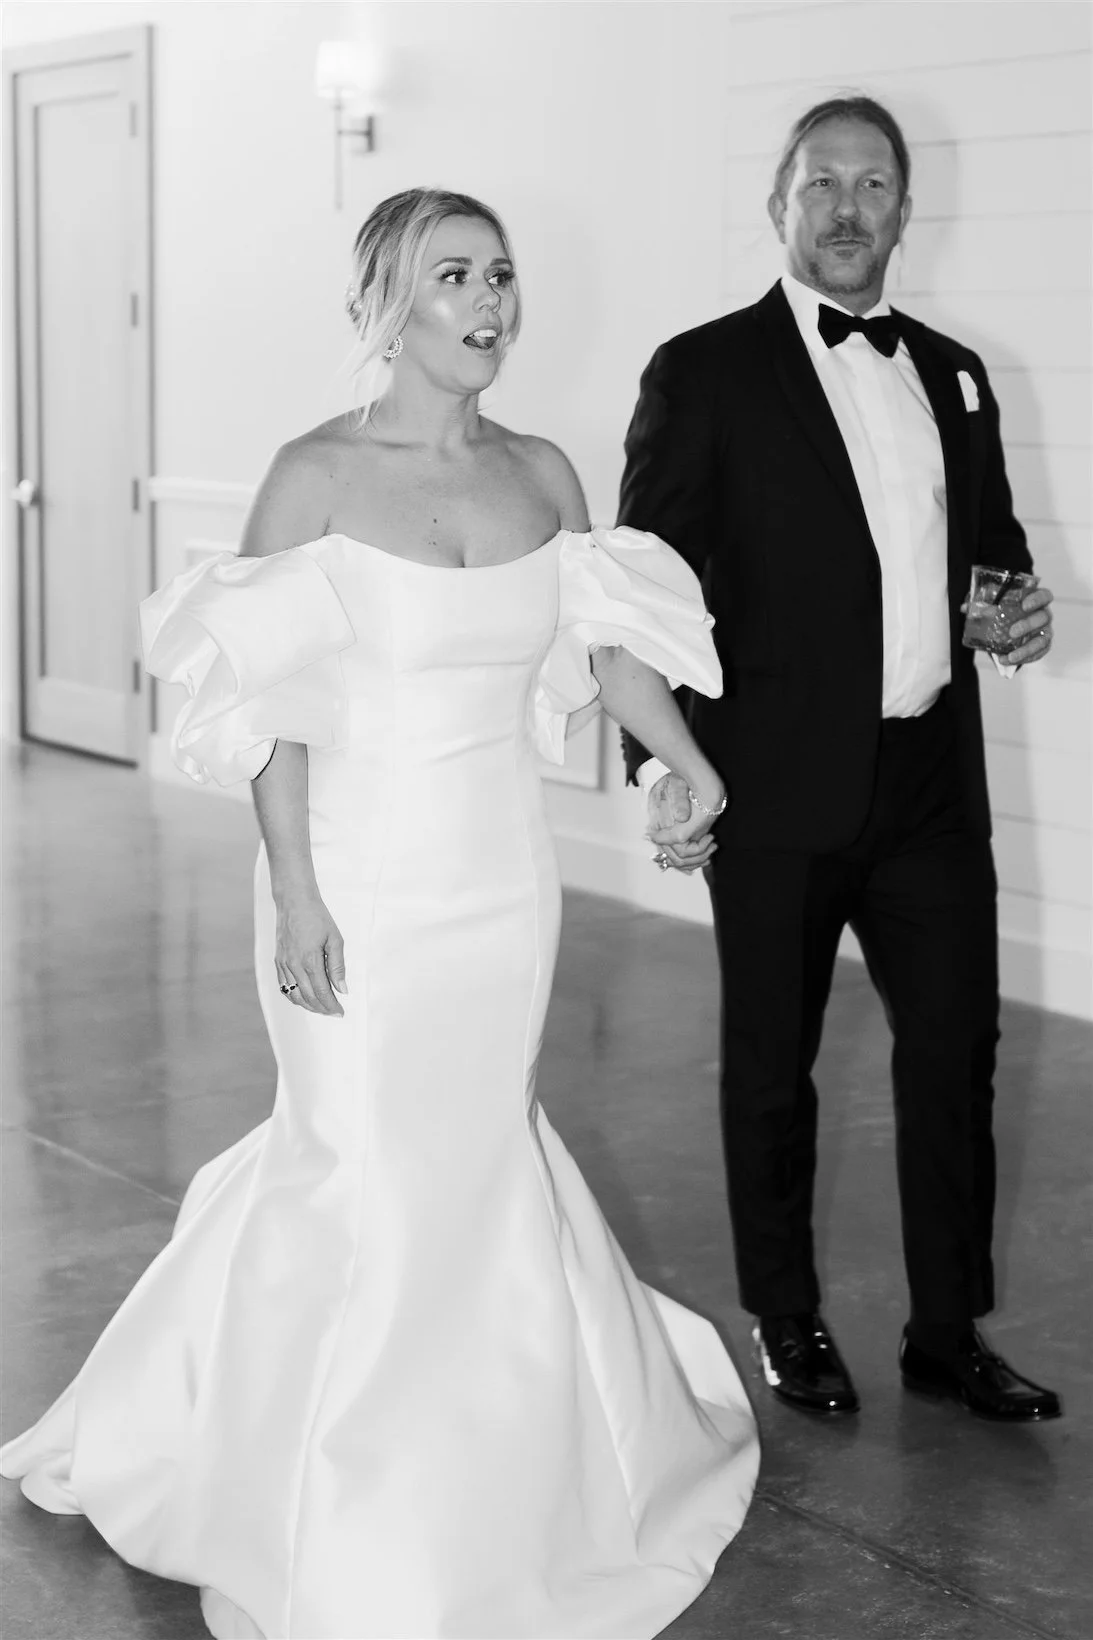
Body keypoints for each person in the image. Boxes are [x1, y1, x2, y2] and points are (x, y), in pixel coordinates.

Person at [1, 189, 759, 1640]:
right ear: (386, 306)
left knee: (472, 1157)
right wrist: (296, 893)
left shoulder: (542, 472)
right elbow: (273, 708)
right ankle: (312, 1496)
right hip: (350, 876)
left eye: (501, 275)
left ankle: (488, 1486)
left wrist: (690, 763)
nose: (489, 303)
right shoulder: (316, 477)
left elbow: (607, 653)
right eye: (452, 276)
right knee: (351, 1156)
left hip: (500, 885)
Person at [619, 98, 1062, 1423]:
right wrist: (662, 766)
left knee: (956, 1054)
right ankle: (787, 1319)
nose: (849, 208)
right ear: (781, 204)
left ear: (905, 211)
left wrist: (1013, 612)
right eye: (823, 183)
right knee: (773, 1065)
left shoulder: (956, 373)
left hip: (931, 787)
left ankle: (946, 1330)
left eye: (874, 185)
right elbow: (646, 593)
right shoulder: (702, 371)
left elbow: (990, 552)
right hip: (771, 784)